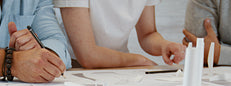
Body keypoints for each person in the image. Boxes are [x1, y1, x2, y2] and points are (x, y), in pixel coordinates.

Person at [53, 0, 186, 69]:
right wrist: (139, 60)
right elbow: (87, 56)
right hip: (75, 67)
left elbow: (148, 34)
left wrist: (164, 45)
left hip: (120, 66)